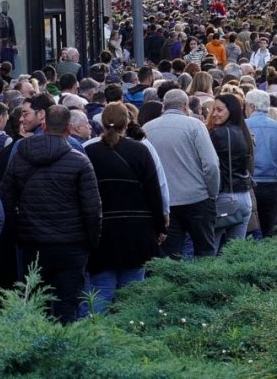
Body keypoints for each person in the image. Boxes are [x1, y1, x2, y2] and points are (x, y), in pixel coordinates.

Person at [0, 105, 101, 324]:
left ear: (44, 126)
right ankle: (64, 350)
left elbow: (6, 200)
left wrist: (17, 233)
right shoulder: (79, 161)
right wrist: (92, 242)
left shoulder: (20, 156)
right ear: (68, 130)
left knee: (37, 304)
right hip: (71, 244)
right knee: (67, 304)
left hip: (32, 242)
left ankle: (38, 350)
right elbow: (92, 209)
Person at [82, 103, 165, 314]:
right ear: (127, 122)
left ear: (101, 123)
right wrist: (160, 227)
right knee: (133, 294)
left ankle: (90, 338)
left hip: (102, 234)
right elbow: (154, 193)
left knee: (100, 292)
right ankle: (131, 335)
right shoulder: (140, 151)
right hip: (137, 231)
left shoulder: (89, 152)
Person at [141, 89, 219, 260]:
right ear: (185, 106)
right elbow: (211, 164)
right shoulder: (195, 126)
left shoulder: (147, 128)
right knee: (205, 252)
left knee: (170, 255)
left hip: (166, 202)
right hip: (197, 197)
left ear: (163, 106)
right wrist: (212, 192)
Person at [243, 90, 277, 237]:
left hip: (248, 184)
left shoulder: (243, 126)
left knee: (249, 231)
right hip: (271, 185)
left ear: (251, 107)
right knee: (270, 229)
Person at [207, 95, 254, 253]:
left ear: (231, 110)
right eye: (213, 109)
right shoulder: (244, 132)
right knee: (235, 254)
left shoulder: (217, 134)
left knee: (209, 252)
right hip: (245, 197)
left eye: (219, 109)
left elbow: (209, 166)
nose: (214, 113)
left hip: (225, 197)